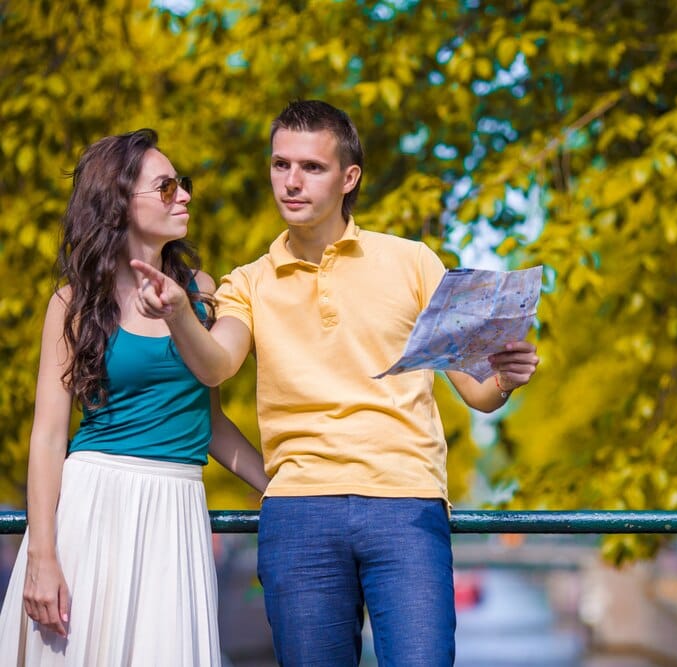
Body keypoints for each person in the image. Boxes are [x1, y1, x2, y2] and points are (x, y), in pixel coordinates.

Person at [132, 100, 540, 666]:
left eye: (311, 168)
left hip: (407, 503)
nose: (291, 182)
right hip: (299, 512)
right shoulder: (246, 282)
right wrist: (178, 313)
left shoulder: (413, 262)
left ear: (349, 178)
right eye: (280, 165)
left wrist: (505, 378)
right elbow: (216, 366)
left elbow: (478, 393)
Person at [0, 129, 270, 666]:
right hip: (92, 506)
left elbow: (207, 420)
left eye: (182, 184)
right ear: (120, 201)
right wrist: (42, 554)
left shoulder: (201, 290)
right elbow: (50, 437)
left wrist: (281, 485)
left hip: (176, 511)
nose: (185, 196)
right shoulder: (73, 303)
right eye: (167, 187)